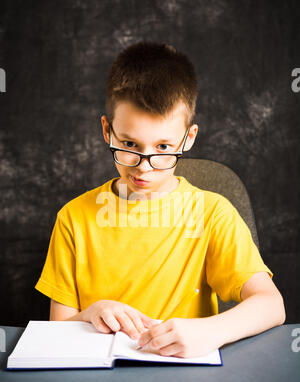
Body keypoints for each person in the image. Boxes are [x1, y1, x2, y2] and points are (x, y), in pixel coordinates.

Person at [35, 41, 285, 358]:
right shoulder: (73, 218)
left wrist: (212, 331)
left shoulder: (213, 214)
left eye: (164, 148)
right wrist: (90, 314)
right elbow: (58, 330)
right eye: (129, 144)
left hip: (186, 380)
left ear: (188, 138)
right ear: (107, 130)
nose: (143, 166)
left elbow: (272, 305)